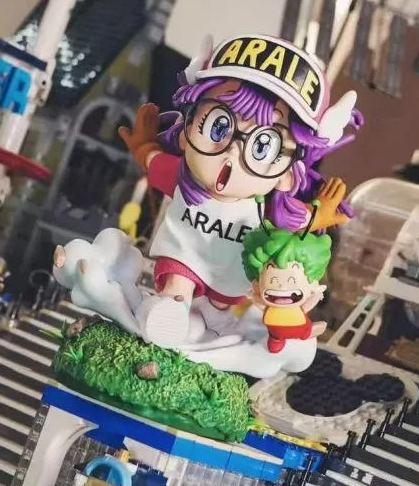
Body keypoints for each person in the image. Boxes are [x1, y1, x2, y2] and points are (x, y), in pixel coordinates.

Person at [118, 34, 361, 348]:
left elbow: (296, 224)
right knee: (176, 293)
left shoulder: (267, 208)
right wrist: (144, 147)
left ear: (287, 175)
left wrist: (317, 217)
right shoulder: (184, 179)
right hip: (183, 258)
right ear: (186, 131)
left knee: (216, 314)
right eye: (218, 126)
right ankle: (171, 311)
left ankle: (209, 329)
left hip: (230, 276)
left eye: (263, 146)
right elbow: (153, 161)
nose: (231, 151)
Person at [241, 206, 333, 353]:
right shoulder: (266, 303)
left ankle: (307, 332)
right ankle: (277, 339)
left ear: (312, 283)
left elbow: (308, 304)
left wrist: (316, 294)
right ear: (258, 282)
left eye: (291, 281)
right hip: (274, 332)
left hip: (301, 327)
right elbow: (259, 302)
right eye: (273, 281)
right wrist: (254, 296)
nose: (282, 287)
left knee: (304, 332)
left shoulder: (300, 304)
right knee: (275, 340)